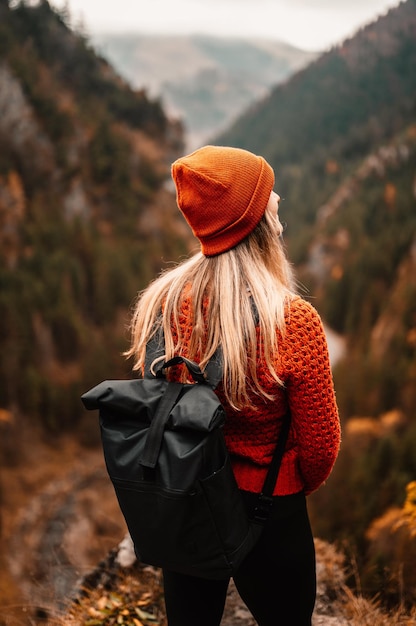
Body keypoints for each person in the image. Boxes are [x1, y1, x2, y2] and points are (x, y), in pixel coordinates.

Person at [125, 145, 341, 626]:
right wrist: (284, 480)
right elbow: (321, 448)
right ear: (254, 220)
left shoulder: (162, 303)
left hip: (187, 496)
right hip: (271, 506)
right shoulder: (292, 321)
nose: (278, 198)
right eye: (269, 194)